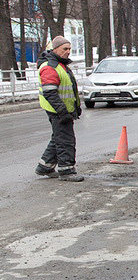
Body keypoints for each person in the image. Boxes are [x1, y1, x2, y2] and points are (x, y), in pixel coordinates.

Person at [35, 36, 84, 182]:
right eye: (65, 49)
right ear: (55, 49)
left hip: (63, 109)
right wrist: (62, 111)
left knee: (59, 137)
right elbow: (50, 92)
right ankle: (66, 170)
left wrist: (75, 108)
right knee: (65, 140)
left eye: (69, 49)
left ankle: (45, 166)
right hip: (58, 110)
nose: (68, 52)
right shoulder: (51, 66)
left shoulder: (59, 64)